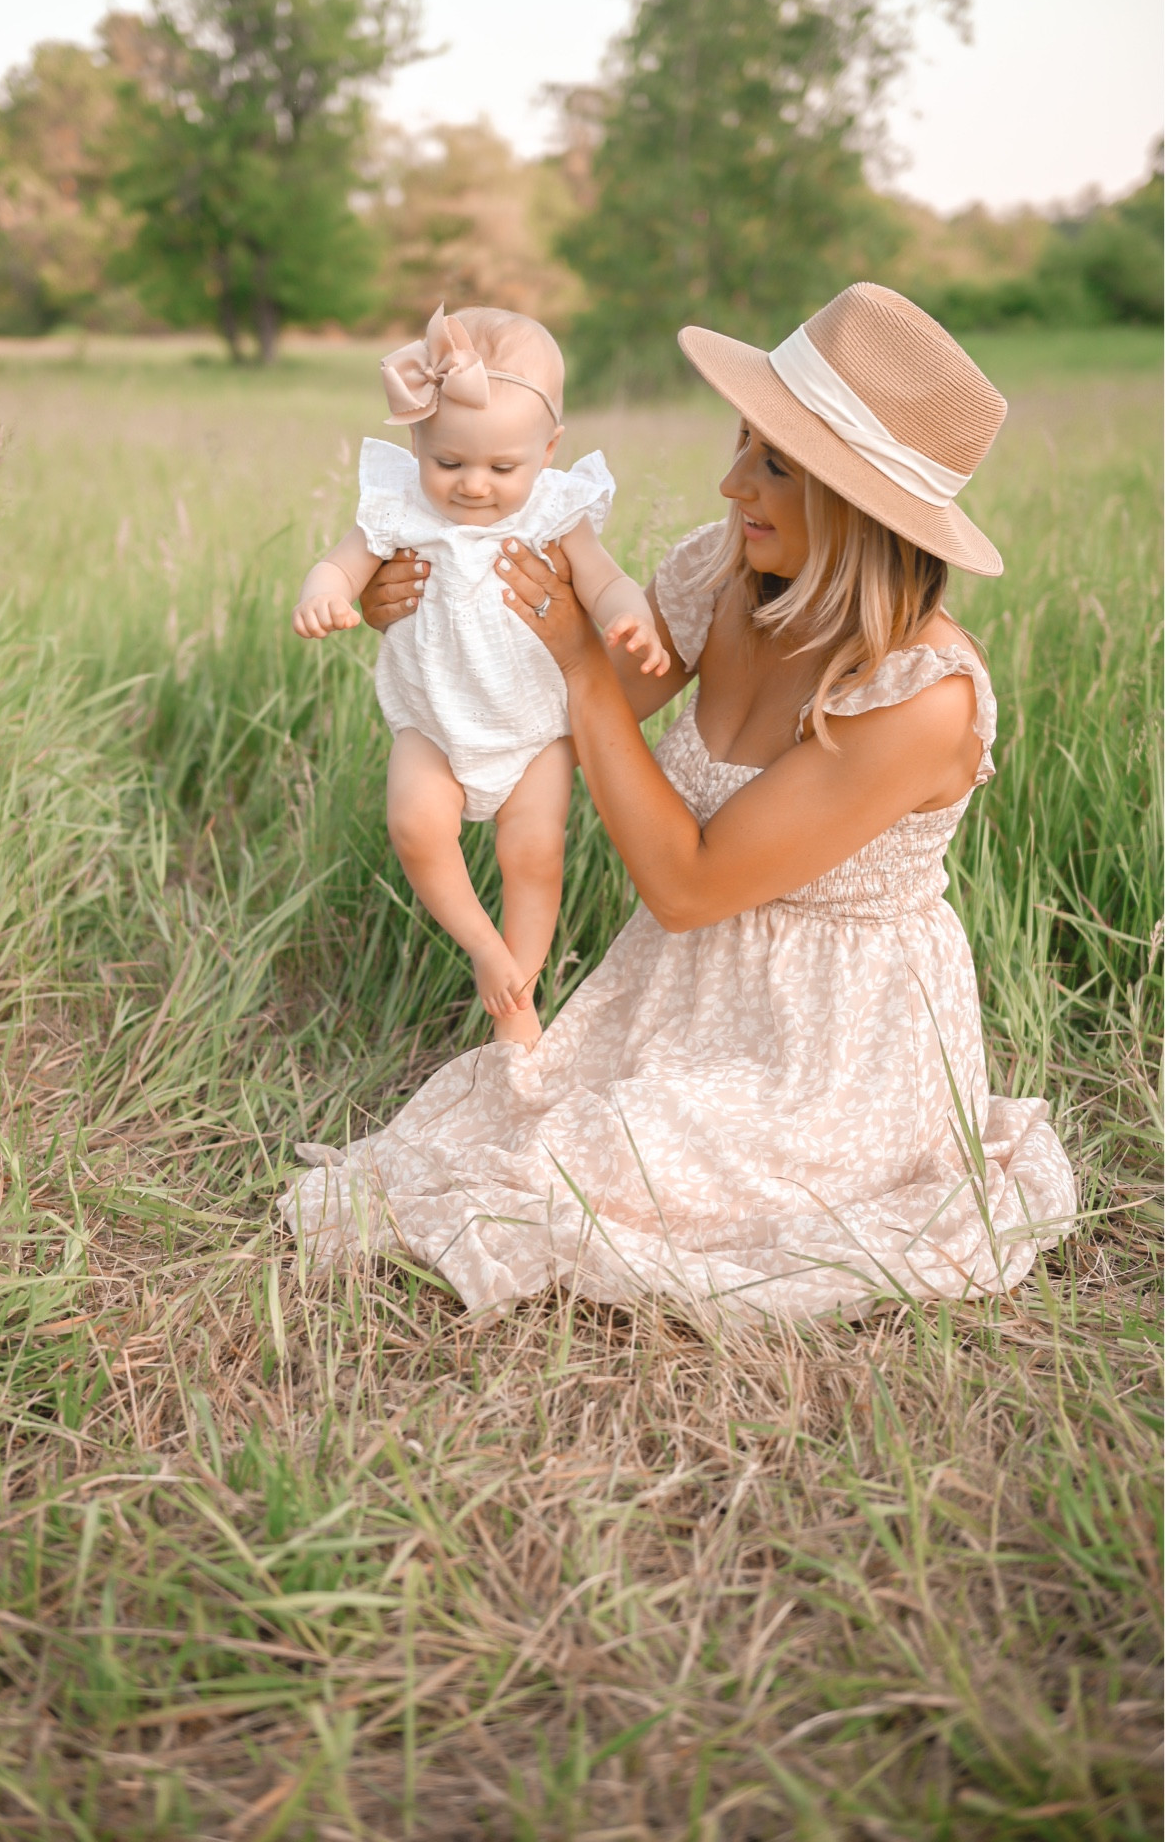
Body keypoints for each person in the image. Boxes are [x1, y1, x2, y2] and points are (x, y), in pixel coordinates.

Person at [281, 283, 1076, 1321]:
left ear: (855, 501)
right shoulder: (726, 573)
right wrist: (414, 599)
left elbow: (688, 880)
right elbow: (546, 719)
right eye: (744, 441)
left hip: (831, 1041)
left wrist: (579, 652)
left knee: (586, 1170)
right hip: (678, 988)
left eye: (773, 463)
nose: (729, 479)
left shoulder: (919, 698)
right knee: (529, 1138)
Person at [292, 303, 666, 1047]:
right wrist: (325, 591)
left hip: (532, 729)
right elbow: (342, 559)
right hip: (431, 722)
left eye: (503, 467)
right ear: (419, 442)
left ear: (549, 447)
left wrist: (634, 617)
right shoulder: (400, 506)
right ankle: (484, 948)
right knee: (415, 825)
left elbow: (607, 582)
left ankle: (516, 1001)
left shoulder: (556, 512)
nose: (472, 486)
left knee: (534, 854)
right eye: (449, 462)